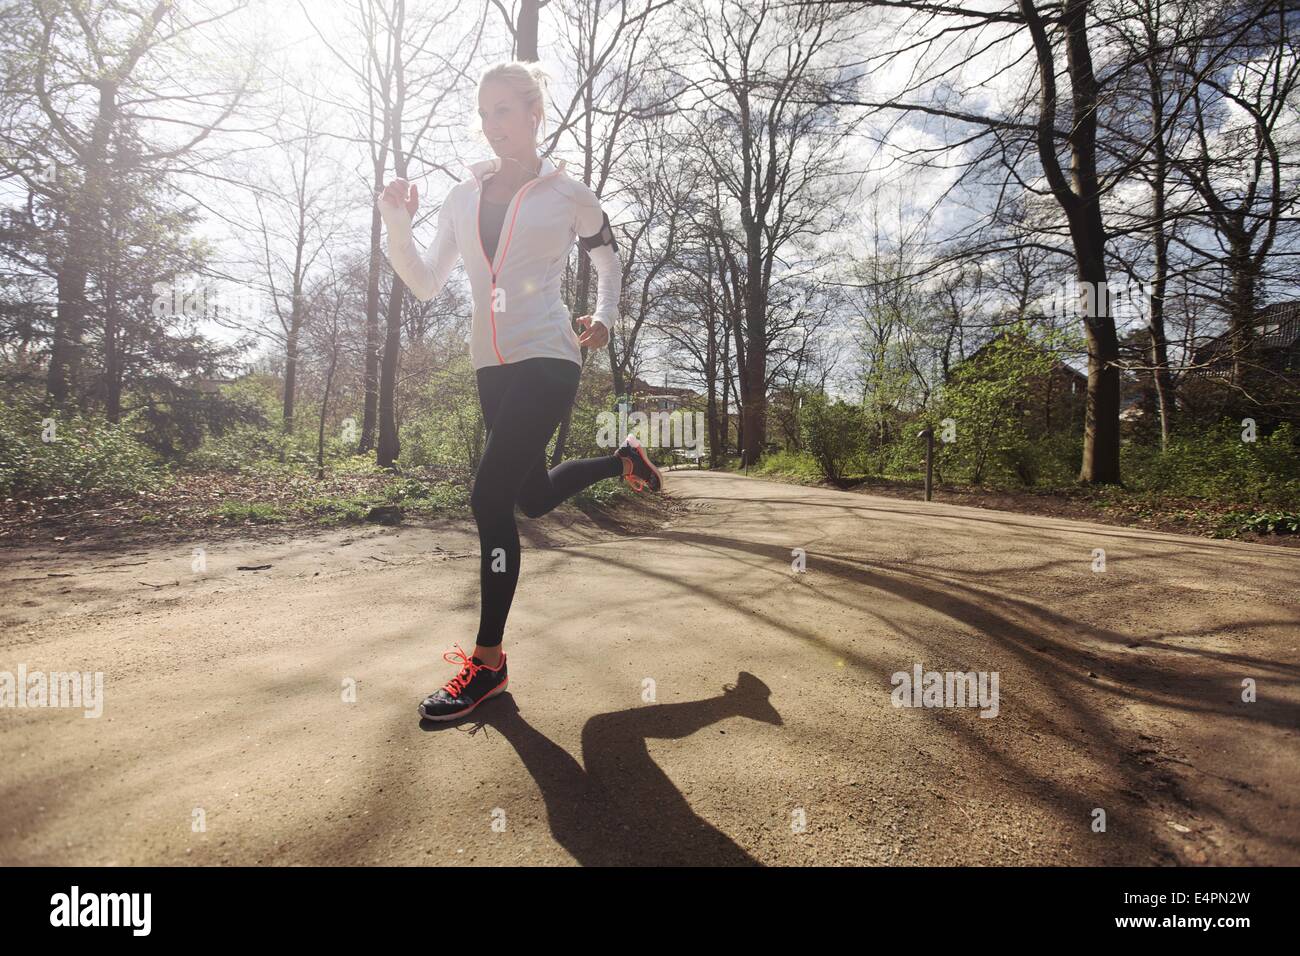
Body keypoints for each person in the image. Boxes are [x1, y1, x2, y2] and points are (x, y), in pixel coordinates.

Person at [376, 60, 663, 722]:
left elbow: (607, 258)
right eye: (483, 112)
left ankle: (489, 665)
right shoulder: (460, 197)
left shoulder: (567, 193)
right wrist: (396, 221)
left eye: (504, 109)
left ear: (534, 114)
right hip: (491, 367)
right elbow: (423, 280)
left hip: (547, 357)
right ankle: (623, 460)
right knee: (531, 497)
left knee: (489, 497)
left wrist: (605, 316)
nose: (492, 123)